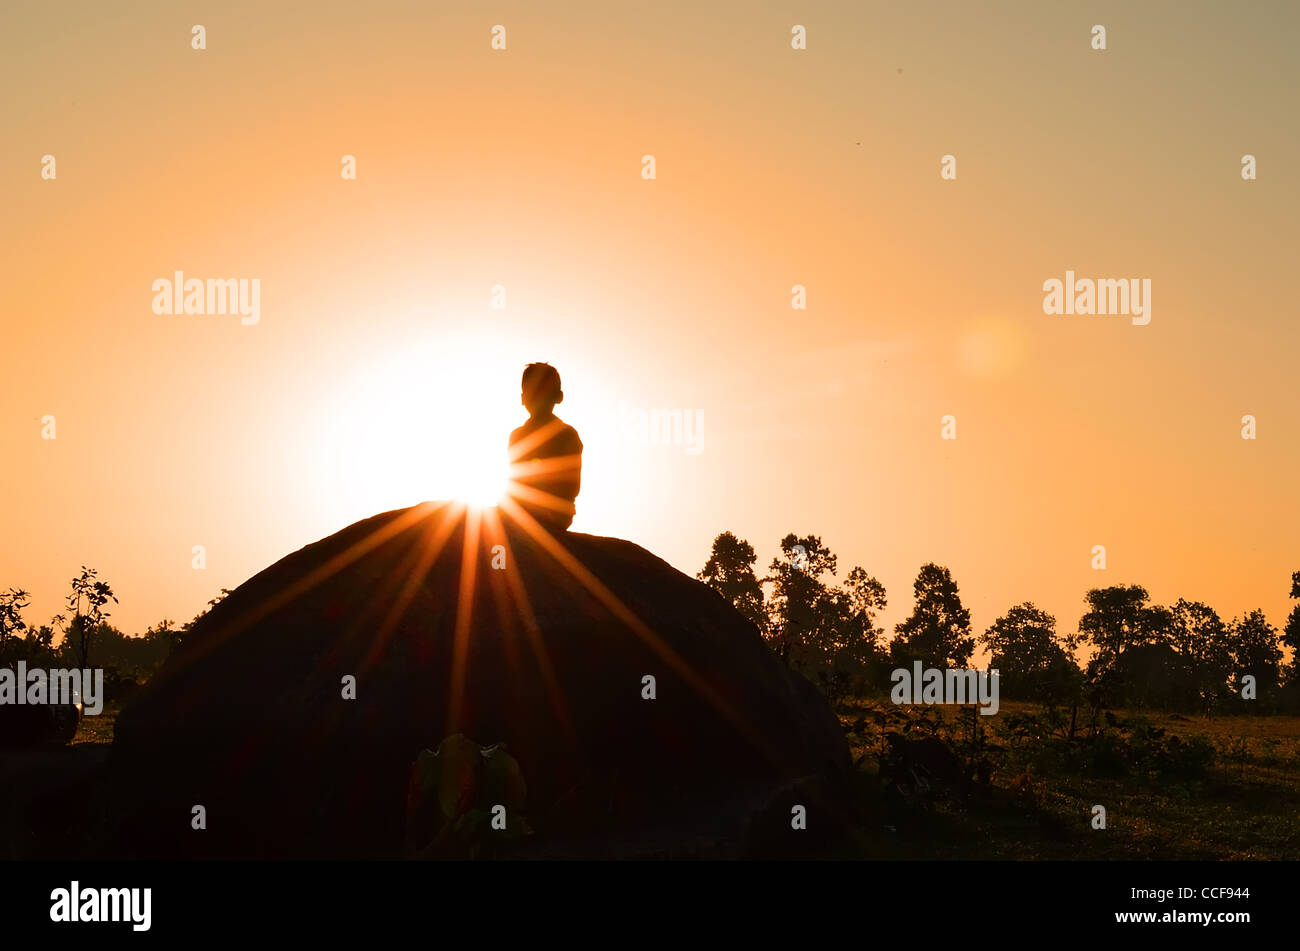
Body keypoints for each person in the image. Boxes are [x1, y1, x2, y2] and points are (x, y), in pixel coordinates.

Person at [507, 363, 583, 530]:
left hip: (555, 511)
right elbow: (513, 479)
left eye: (542, 392)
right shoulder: (516, 435)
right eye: (532, 392)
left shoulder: (567, 435)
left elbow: (571, 486)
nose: (536, 397)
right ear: (522, 398)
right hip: (522, 506)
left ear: (558, 397)